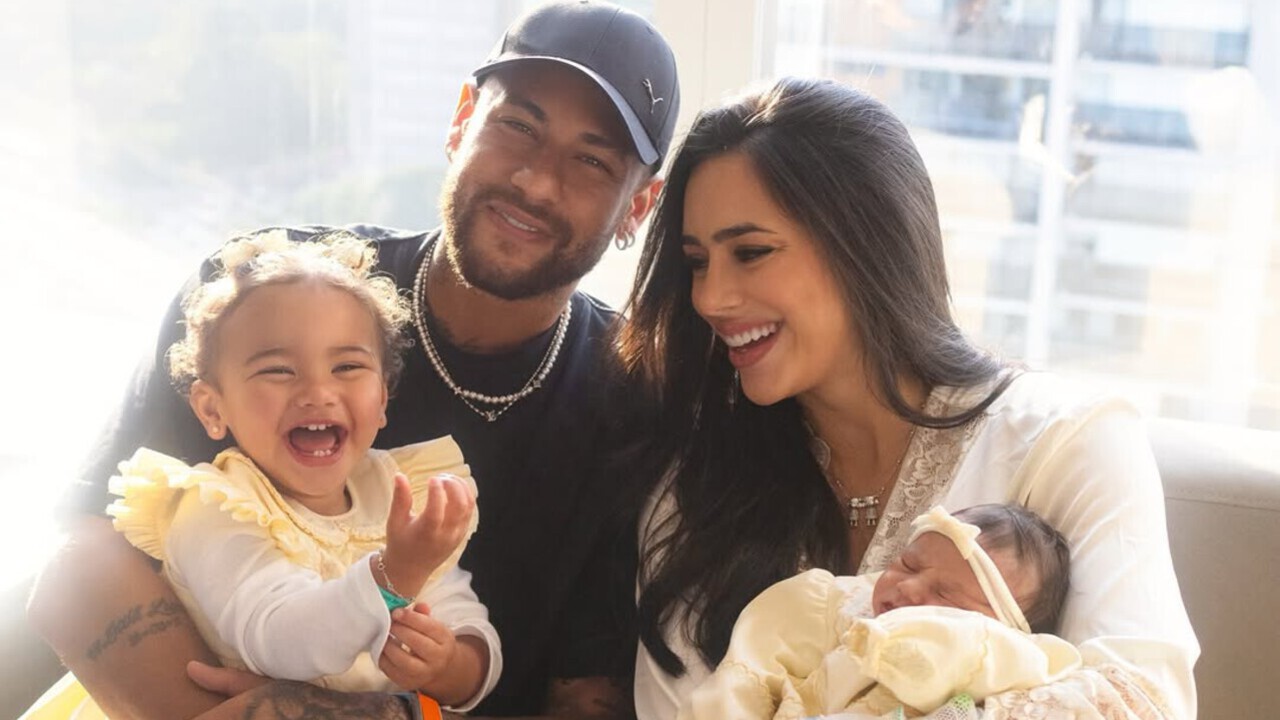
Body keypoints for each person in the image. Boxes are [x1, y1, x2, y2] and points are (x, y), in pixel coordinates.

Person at [26, 2, 679, 719]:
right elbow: (78, 570)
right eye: (517, 124)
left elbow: (588, 694)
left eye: (590, 160)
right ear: (462, 118)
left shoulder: (636, 405)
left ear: (637, 207)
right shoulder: (262, 293)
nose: (535, 180)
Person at [617, 77, 1199, 719]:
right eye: (697, 262)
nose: (710, 297)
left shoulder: (1069, 442)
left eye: (751, 253)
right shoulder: (697, 495)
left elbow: (1143, 702)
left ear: (867, 243)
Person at [105, 231, 498, 711]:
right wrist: (396, 573)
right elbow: (277, 636)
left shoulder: (394, 490)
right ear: (212, 408)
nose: (317, 391)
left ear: (382, 400)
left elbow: (464, 617)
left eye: (348, 366)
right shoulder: (215, 506)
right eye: (277, 370)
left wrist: (452, 665)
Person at [679, 504, 1081, 720]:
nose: (907, 587)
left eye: (944, 594)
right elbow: (744, 676)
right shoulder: (833, 607)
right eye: (908, 564)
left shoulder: (1010, 675)